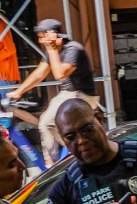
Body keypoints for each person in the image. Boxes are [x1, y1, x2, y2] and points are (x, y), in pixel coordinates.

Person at [2, 19, 99, 166]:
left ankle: (62, 159)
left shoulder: (73, 49)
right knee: (47, 123)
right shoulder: (52, 51)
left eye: (42, 36)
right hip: (67, 94)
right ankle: (62, 158)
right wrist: (18, 92)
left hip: (82, 96)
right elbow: (39, 74)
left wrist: (52, 50)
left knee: (47, 122)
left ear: (53, 34)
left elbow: (60, 74)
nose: (41, 41)